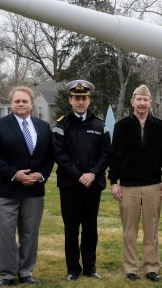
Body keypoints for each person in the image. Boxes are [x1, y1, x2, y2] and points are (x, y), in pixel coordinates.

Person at [0, 86, 54, 287]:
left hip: (34, 191)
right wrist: (14, 174)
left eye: (25, 101)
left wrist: (41, 175)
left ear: (32, 104)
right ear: (12, 104)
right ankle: (7, 275)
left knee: (30, 233)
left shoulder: (43, 126)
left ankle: (26, 272)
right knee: (5, 234)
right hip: (6, 190)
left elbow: (50, 156)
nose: (21, 104)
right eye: (17, 101)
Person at [108, 84, 162, 282]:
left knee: (151, 230)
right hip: (128, 186)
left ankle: (151, 267)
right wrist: (113, 181)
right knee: (129, 231)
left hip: (153, 185)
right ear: (133, 102)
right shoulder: (121, 126)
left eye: (146, 100)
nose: (142, 103)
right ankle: (131, 268)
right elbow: (114, 156)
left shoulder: (160, 126)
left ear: (150, 103)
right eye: (139, 99)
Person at [52, 80, 111, 281]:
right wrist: (79, 175)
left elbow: (106, 153)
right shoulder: (62, 124)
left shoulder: (99, 124)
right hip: (70, 185)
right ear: (70, 100)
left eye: (84, 98)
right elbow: (59, 154)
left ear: (89, 100)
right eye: (77, 98)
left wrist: (93, 173)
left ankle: (90, 267)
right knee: (71, 227)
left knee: (90, 227)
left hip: (92, 185)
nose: (80, 102)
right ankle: (72, 269)